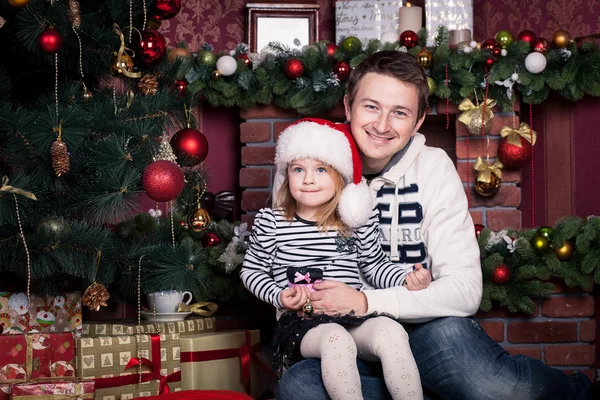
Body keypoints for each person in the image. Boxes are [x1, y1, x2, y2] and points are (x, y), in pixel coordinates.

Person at [275, 51, 594, 400]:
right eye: (371, 107)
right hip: (340, 338)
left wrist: (365, 301)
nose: (382, 125)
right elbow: (278, 267)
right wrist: (307, 306)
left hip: (424, 330)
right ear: (348, 106)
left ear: (418, 121)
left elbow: (465, 291)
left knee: (495, 387)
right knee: (300, 388)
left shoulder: (433, 168)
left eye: (399, 112)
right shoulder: (305, 161)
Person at [241, 118, 431, 400]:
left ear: (340, 175)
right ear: (286, 173)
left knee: (391, 332)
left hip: (351, 315)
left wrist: (405, 278)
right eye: (298, 169)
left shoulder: (355, 220)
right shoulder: (273, 221)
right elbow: (251, 272)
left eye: (320, 169)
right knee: (335, 339)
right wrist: (279, 295)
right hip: (303, 324)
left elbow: (374, 266)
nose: (308, 179)